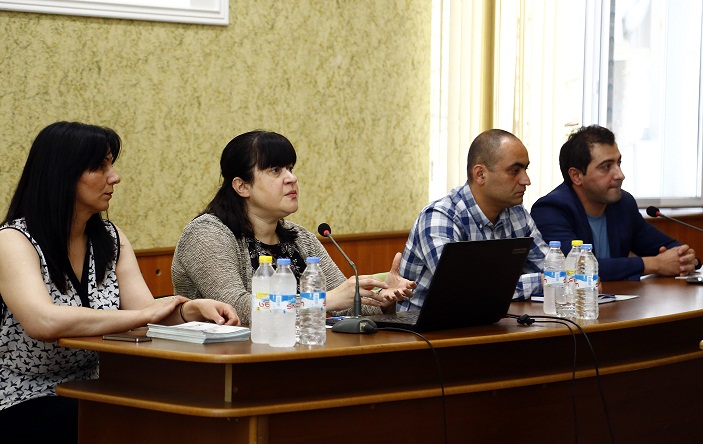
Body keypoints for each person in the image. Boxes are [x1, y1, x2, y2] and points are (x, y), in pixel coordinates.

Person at [0, 122, 238, 442]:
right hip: (24, 396)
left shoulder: (110, 238)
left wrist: (190, 310)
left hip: (95, 388)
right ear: (62, 174)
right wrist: (142, 316)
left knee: (178, 416)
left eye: (111, 165)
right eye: (100, 167)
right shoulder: (13, 240)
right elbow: (43, 321)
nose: (115, 177)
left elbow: (146, 313)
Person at [171, 130, 415, 325]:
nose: (291, 178)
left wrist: (383, 299)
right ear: (242, 186)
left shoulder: (300, 238)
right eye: (275, 170)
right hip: (227, 360)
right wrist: (322, 300)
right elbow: (236, 308)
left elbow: (346, 304)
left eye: (290, 169)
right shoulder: (206, 234)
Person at [398, 129, 549, 310]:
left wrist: (549, 278)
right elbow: (464, 289)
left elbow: (553, 270)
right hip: (427, 325)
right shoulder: (440, 217)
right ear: (480, 174)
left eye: (525, 169)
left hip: (489, 320)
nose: (526, 180)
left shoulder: (517, 214)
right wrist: (540, 281)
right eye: (515, 171)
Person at [531, 124, 699, 281]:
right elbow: (574, 268)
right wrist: (655, 264)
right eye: (606, 167)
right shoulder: (551, 210)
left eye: (619, 163)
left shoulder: (623, 204)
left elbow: (670, 248)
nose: (620, 175)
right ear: (576, 176)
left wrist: (687, 259)